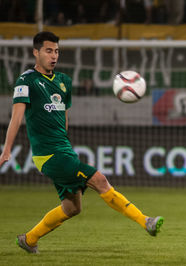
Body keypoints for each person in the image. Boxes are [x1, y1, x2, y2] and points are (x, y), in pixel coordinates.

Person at [0, 31, 164, 254]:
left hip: (63, 151)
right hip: (48, 154)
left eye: (56, 51)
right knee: (100, 180)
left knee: (72, 207)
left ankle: (29, 239)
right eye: (48, 51)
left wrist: (66, 147)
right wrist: (7, 150)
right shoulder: (26, 81)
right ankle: (146, 221)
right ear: (35, 52)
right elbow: (16, 117)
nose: (54, 55)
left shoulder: (64, 82)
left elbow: (64, 120)